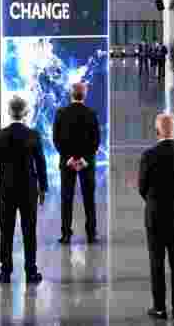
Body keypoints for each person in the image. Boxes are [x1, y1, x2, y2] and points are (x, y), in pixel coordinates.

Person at [0, 95, 47, 285]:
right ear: (25, 113)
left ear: (9, 112)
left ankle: (5, 272)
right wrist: (43, 187)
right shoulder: (33, 135)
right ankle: (31, 272)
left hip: (5, 190)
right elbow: (41, 163)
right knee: (29, 232)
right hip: (29, 190)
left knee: (6, 231)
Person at [139, 113, 174, 320]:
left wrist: (153, 200)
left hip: (155, 216)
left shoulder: (149, 155)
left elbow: (142, 187)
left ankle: (160, 308)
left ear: (157, 131)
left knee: (157, 263)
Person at [53, 82, 101, 245]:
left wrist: (69, 159)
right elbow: (96, 141)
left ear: (71, 94)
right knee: (89, 198)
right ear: (84, 95)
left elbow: (56, 140)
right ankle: (91, 234)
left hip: (67, 163)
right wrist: (83, 159)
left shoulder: (61, 113)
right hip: (87, 163)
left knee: (66, 198)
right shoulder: (91, 113)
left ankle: (66, 234)